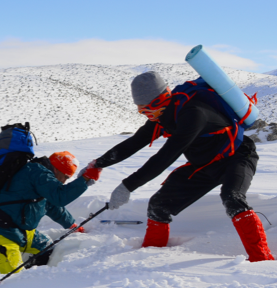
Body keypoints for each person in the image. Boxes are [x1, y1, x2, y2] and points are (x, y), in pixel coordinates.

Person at [82, 71, 274, 262]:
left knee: (233, 198)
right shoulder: (162, 117)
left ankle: (261, 260)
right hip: (203, 166)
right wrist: (98, 164)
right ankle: (149, 255)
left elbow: (166, 156)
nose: (146, 116)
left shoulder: (193, 113)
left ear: (160, 100)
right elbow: (133, 143)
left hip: (237, 157)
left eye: (146, 110)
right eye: (141, 111)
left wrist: (128, 186)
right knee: (159, 205)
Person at [0, 151, 100, 274]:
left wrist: (71, 224)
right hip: (1, 231)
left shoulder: (40, 177)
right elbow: (59, 197)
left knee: (46, 247)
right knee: (12, 278)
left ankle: (34, 276)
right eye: (65, 177)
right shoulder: (37, 172)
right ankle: (23, 285)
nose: (64, 182)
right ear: (57, 169)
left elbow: (50, 205)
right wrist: (85, 179)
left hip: (22, 232)